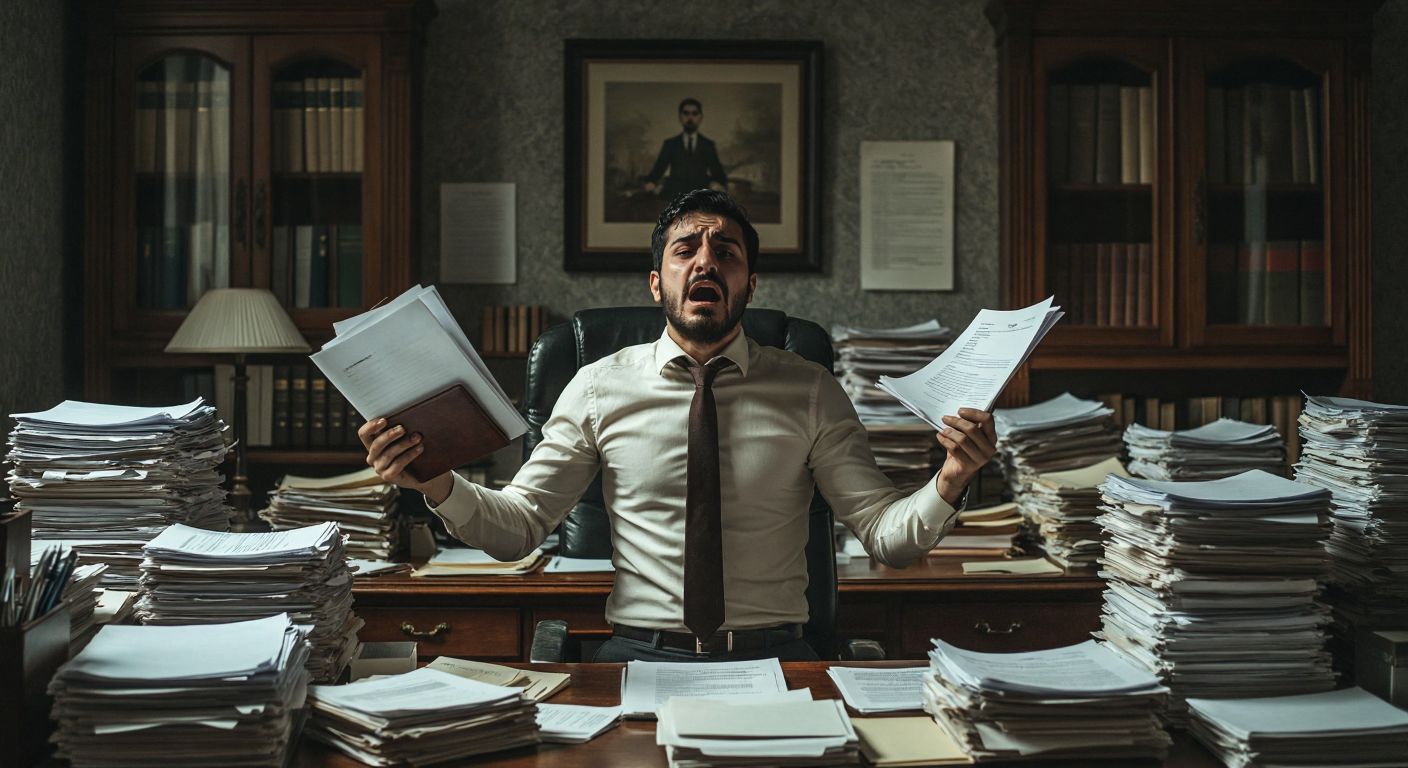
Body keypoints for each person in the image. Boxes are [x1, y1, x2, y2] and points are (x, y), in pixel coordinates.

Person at [360, 189, 997, 663]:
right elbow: (519, 528)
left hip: (778, 657)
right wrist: (437, 481)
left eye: (727, 252)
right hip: (638, 656)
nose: (705, 263)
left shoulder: (810, 390)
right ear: (656, 282)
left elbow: (888, 538)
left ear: (749, 283)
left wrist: (952, 476)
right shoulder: (596, 387)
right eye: (685, 249)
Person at [642, 98, 728, 201]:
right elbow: (658, 169)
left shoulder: (708, 145)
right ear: (680, 117)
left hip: (701, 197)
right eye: (686, 113)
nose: (690, 117)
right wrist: (651, 182)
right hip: (673, 196)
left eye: (694, 113)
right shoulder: (670, 144)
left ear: (700, 117)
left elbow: (718, 173)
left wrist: (717, 184)